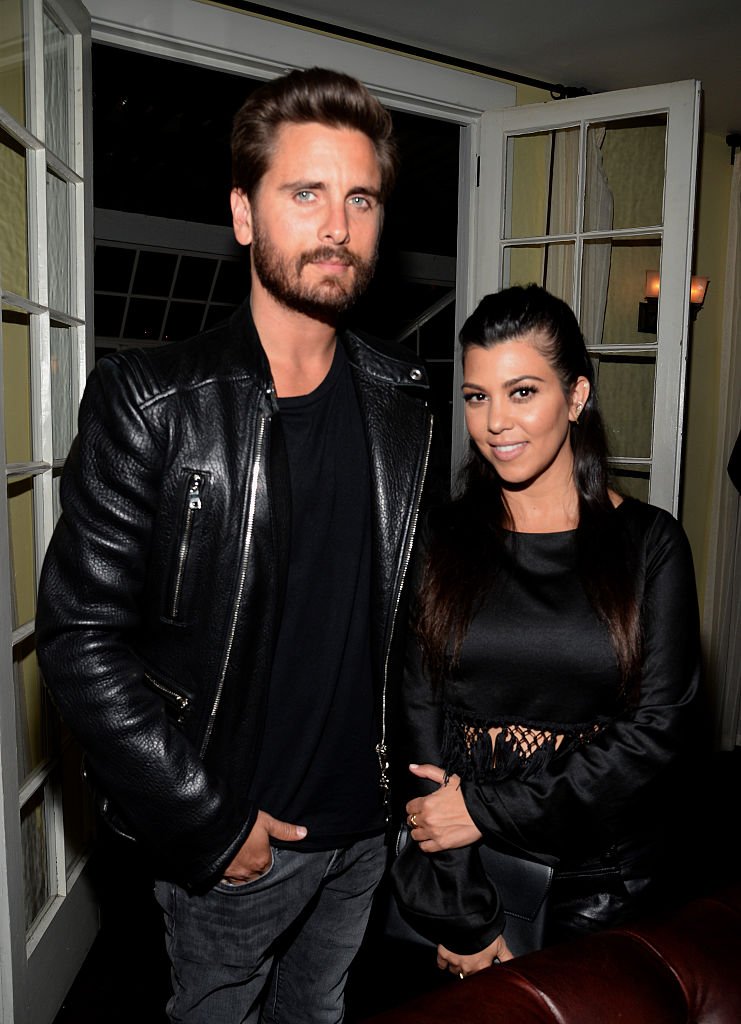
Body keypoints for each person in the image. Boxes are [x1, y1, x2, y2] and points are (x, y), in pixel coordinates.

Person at [36, 67, 435, 1024]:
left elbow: (409, 623)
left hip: (365, 834)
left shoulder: (404, 401)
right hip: (238, 844)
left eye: (360, 198)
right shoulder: (154, 401)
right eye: (305, 193)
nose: (337, 225)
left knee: (320, 1012)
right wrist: (211, 826)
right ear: (244, 215)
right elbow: (77, 640)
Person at [391, 284, 703, 980]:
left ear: (576, 395)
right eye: (476, 397)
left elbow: (657, 733)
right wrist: (462, 913)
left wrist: (485, 807)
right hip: (461, 871)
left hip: (605, 878)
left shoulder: (649, 545)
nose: (495, 421)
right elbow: (416, 721)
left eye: (522, 391)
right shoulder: (439, 540)